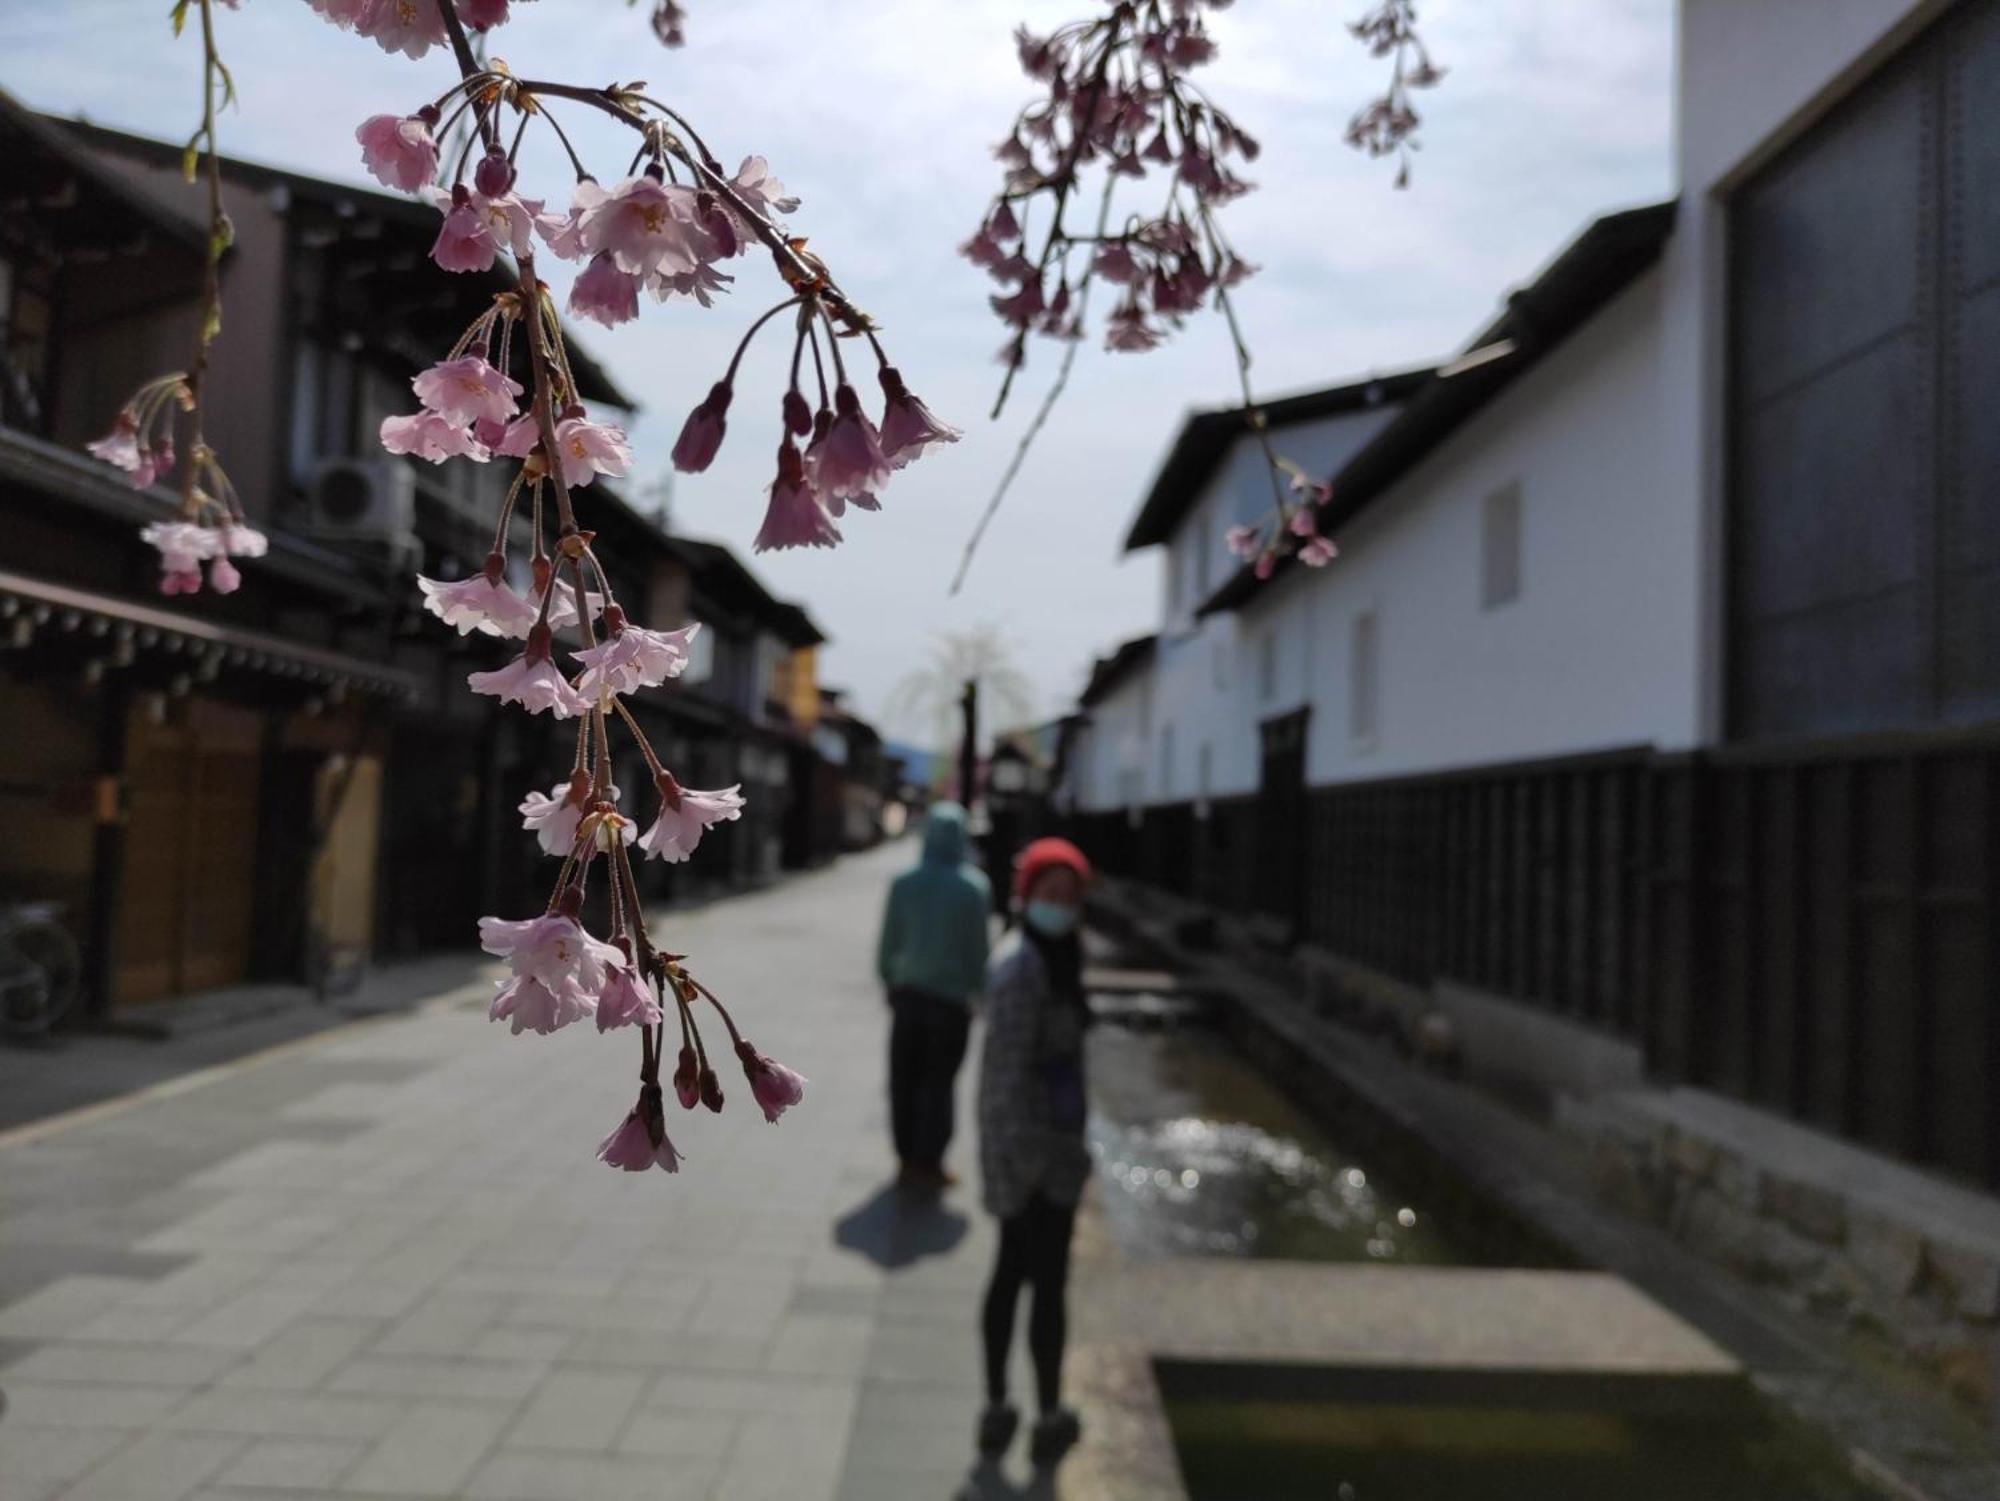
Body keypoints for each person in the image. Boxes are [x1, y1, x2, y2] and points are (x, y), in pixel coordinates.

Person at [976, 836, 1093, 1466]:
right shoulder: (1022, 966)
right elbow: (1004, 1078)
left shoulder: (1059, 956)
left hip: (1052, 1150)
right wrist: (1032, 1169)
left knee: (1027, 1280)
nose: (1063, 906)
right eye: (1052, 894)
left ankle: (1018, 1410)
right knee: (1033, 1283)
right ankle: (1023, 1410)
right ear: (1028, 898)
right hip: (1032, 1159)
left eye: (1071, 896)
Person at [877, 801, 992, 1192]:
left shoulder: (903, 883)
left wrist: (888, 979)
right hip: (951, 1003)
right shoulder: (974, 888)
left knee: (903, 1080)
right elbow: (979, 951)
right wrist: (979, 991)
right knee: (938, 1084)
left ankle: (906, 1158)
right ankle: (931, 1161)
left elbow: (888, 941)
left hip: (908, 997)